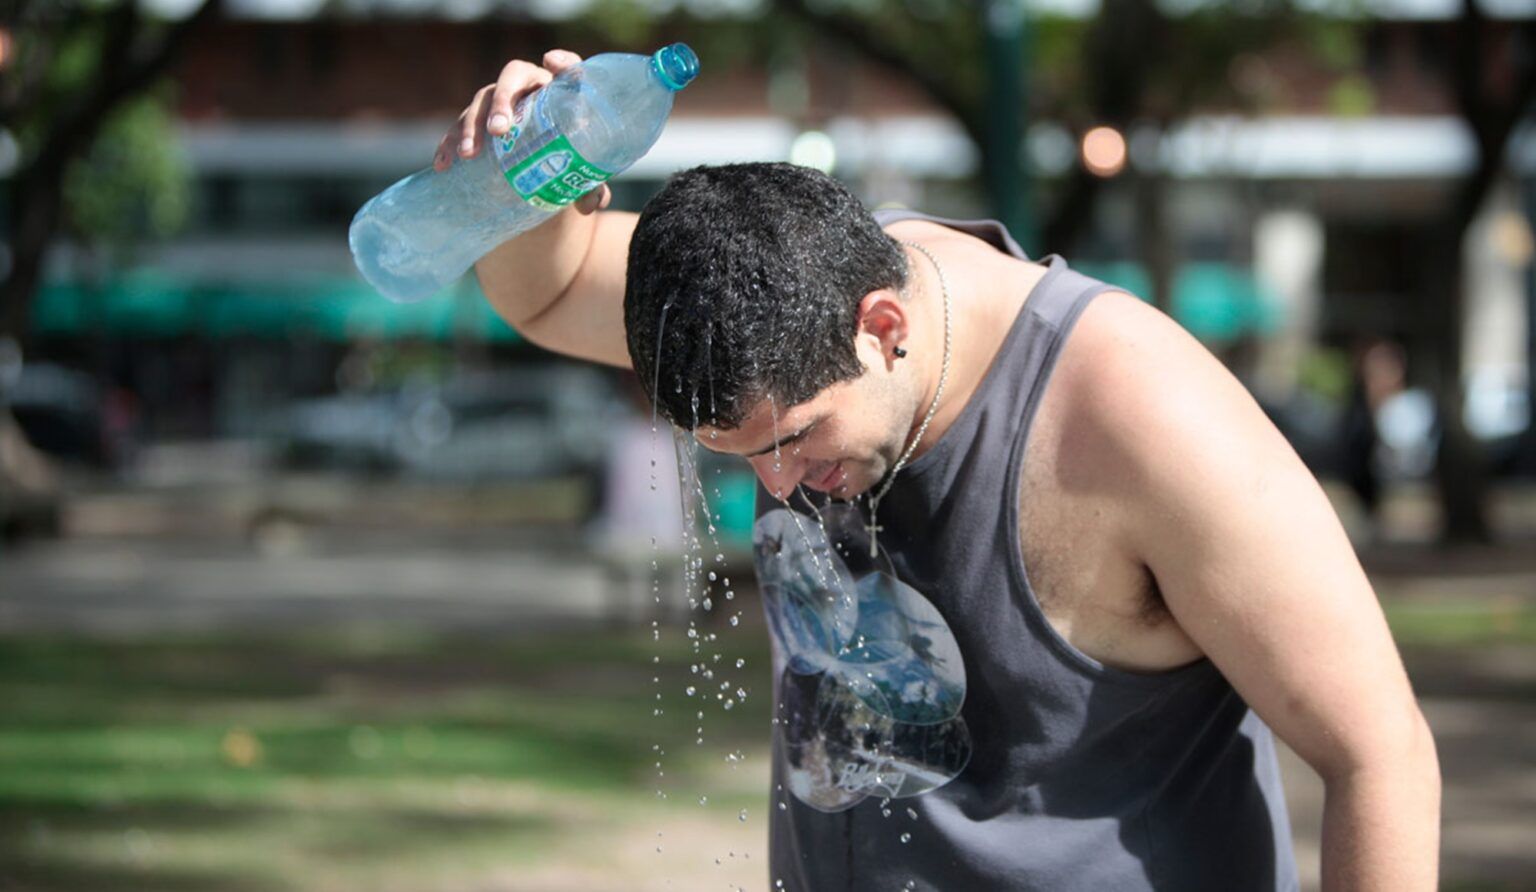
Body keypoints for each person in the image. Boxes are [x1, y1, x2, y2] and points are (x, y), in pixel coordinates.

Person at [440, 49, 1441, 891]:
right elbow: (553, 289)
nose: (781, 487)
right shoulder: (771, 298)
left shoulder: (1143, 416)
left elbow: (1379, 754)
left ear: (884, 328)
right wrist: (519, 179)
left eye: (797, 439)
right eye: (744, 460)